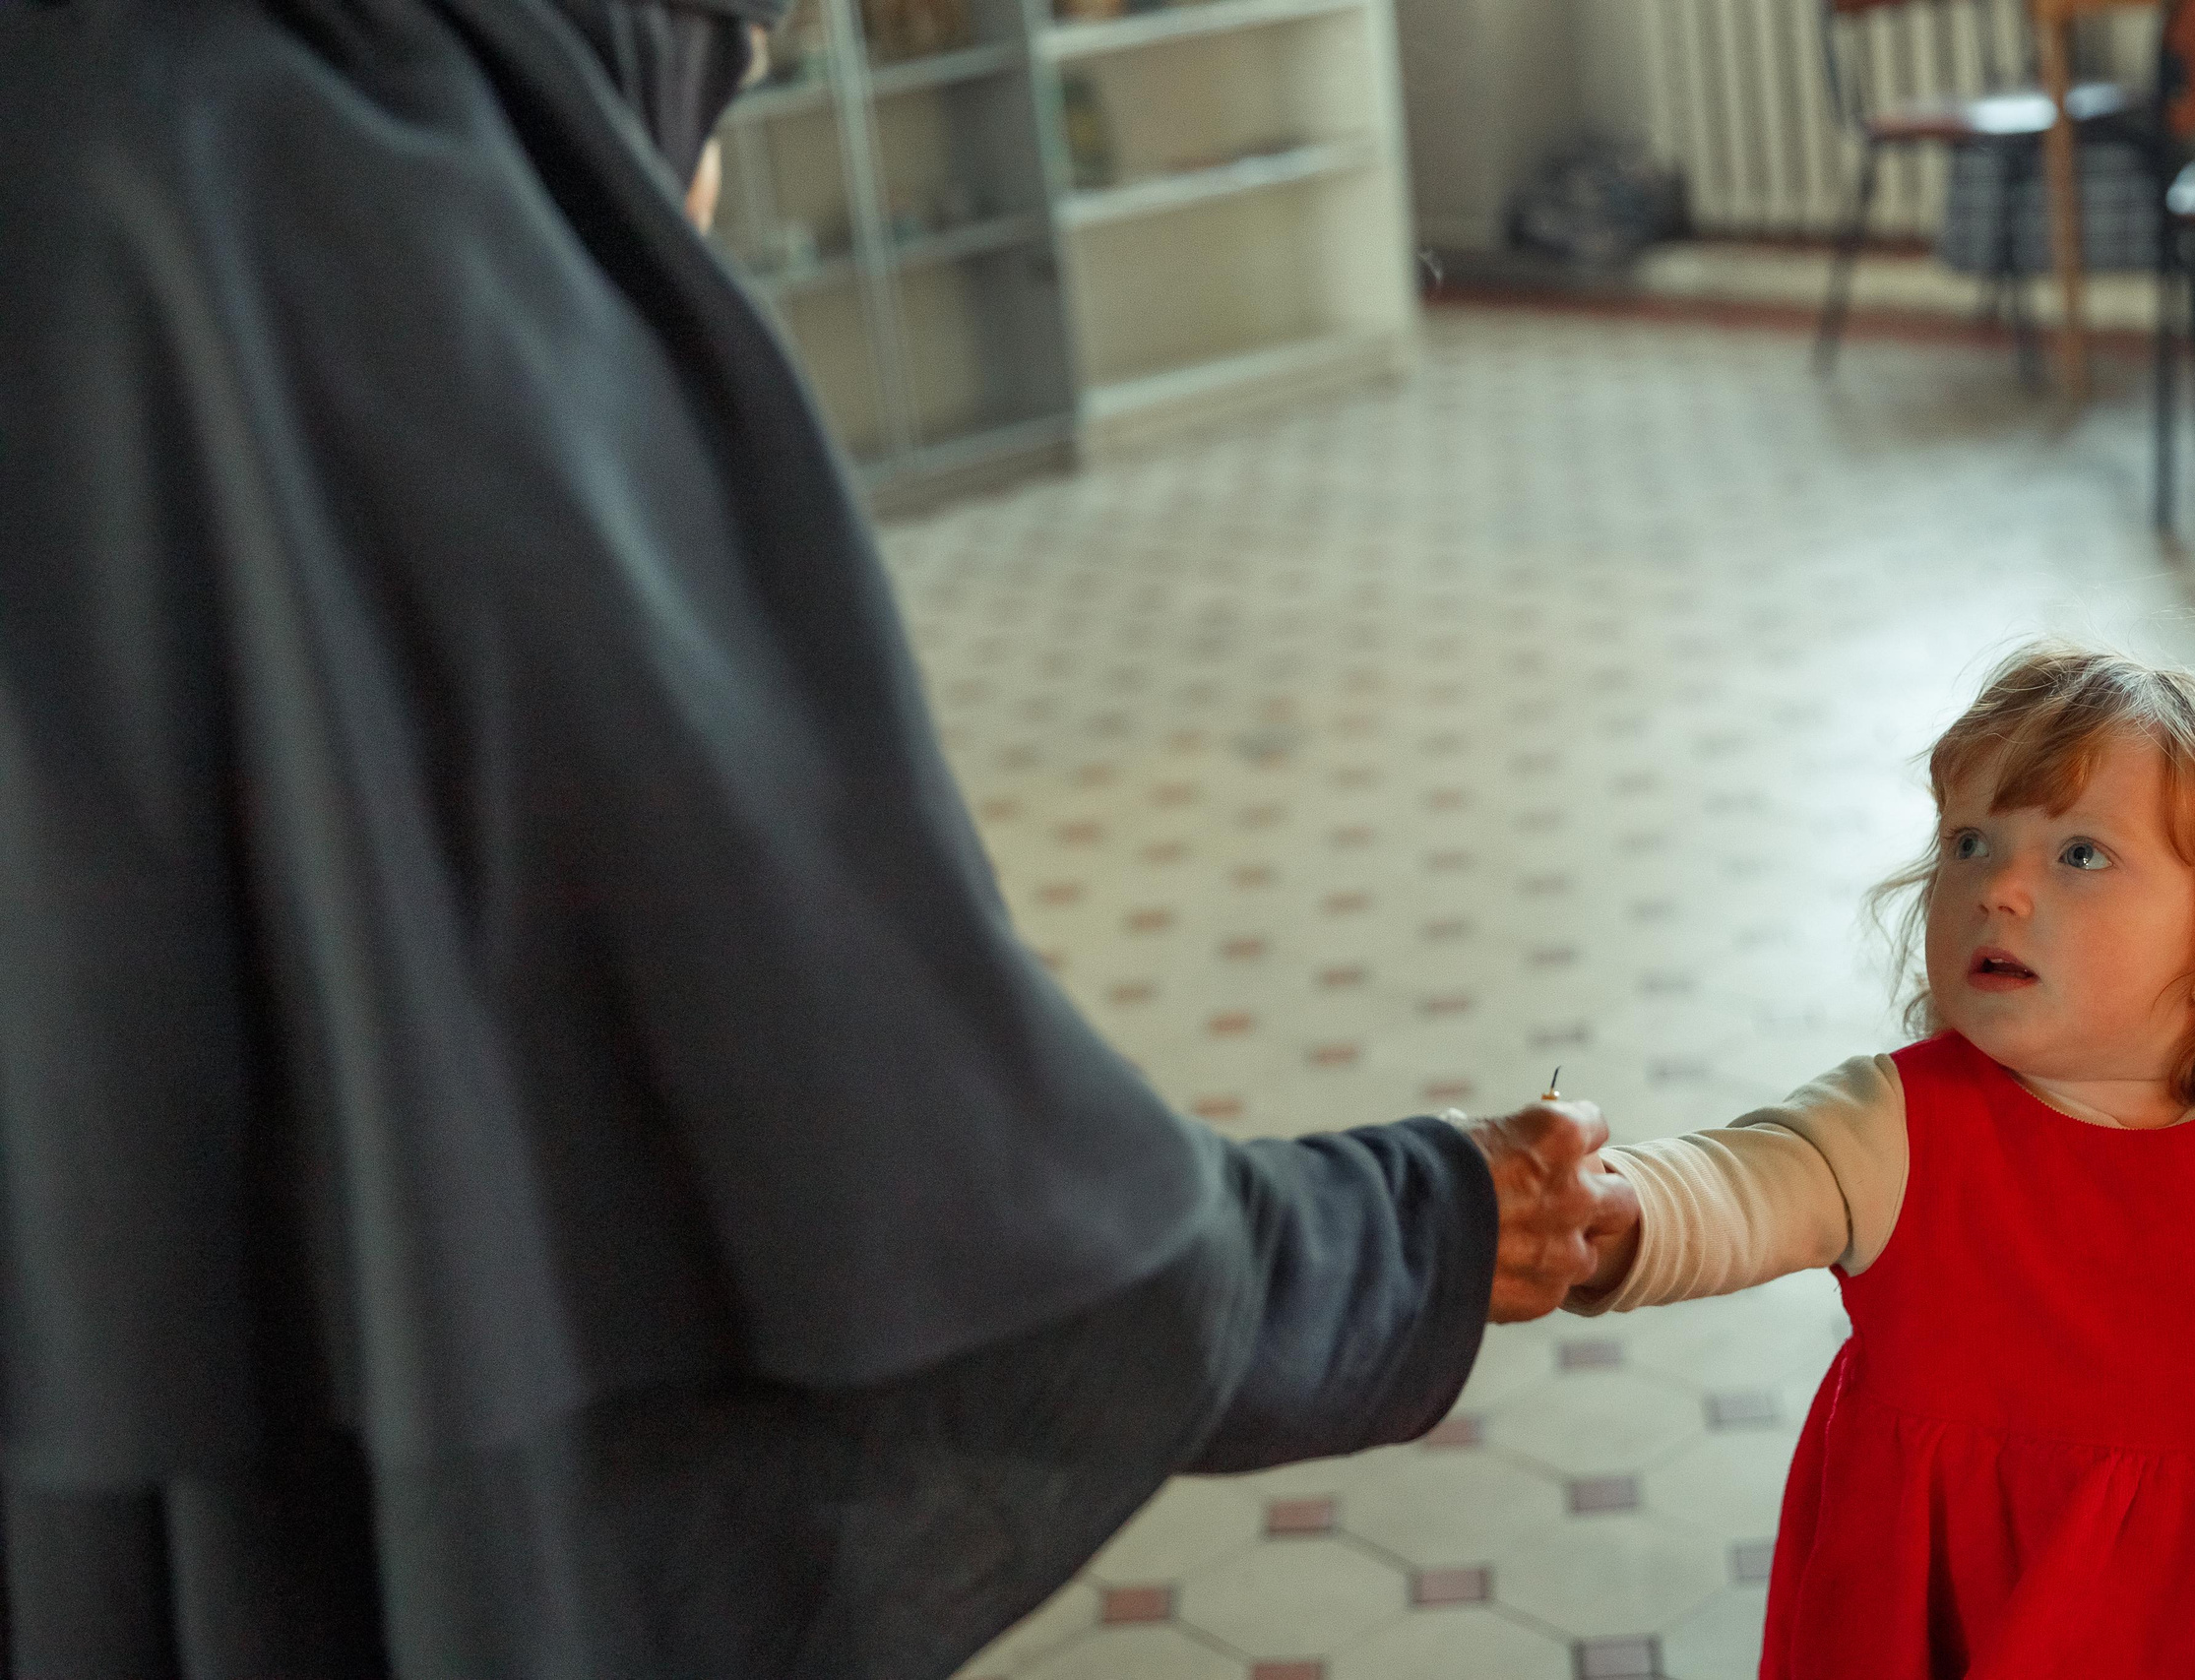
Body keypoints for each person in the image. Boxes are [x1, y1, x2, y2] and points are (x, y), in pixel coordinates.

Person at [0, 1, 1637, 1674]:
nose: (700, 188)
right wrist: (1396, 1234)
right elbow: (876, 1146)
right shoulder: (358, 205)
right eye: (734, 83)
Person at [1571, 645, 2195, 1678]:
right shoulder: (1894, 1124)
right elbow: (1736, 1184)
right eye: (1969, 843)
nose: (2000, 890)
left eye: (2078, 855)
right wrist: (1608, 1207)